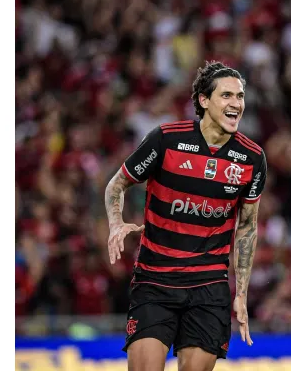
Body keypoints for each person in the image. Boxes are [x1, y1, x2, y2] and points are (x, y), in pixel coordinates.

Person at [104, 61, 267, 371]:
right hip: (155, 281)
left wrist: (241, 294)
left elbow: (247, 226)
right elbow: (117, 184)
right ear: (204, 101)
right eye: (227, 95)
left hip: (208, 287)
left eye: (240, 96)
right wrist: (115, 222)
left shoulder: (251, 158)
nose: (236, 103)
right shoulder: (166, 139)